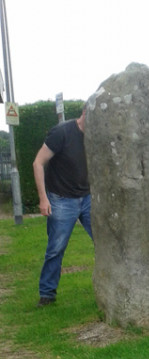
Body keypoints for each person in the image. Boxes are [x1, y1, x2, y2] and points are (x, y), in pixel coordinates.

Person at [33, 107, 93, 307]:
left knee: (104, 241)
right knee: (56, 248)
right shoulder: (62, 133)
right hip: (61, 199)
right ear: (84, 112)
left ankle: (113, 287)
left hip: (87, 198)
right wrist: (43, 198)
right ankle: (47, 293)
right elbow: (38, 163)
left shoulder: (97, 135)